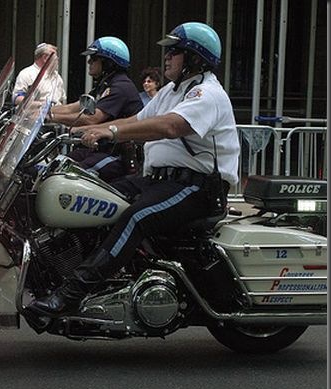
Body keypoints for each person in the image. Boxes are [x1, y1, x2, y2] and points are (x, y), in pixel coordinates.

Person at [27, 22, 240, 317]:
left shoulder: (206, 94)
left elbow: (169, 126)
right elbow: (138, 118)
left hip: (197, 188)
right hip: (160, 181)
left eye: (175, 51)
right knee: (96, 195)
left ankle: (72, 293)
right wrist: (87, 130)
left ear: (195, 58)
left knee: (136, 217)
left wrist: (109, 132)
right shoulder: (171, 92)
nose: (167, 57)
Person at [48, 36, 143, 181]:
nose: (89, 62)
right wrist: (42, 111)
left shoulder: (121, 87)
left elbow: (93, 119)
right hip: (99, 149)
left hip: (118, 155)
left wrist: (51, 117)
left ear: (108, 62)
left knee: (69, 176)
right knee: (55, 166)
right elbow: (74, 107)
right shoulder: (104, 85)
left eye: (94, 58)